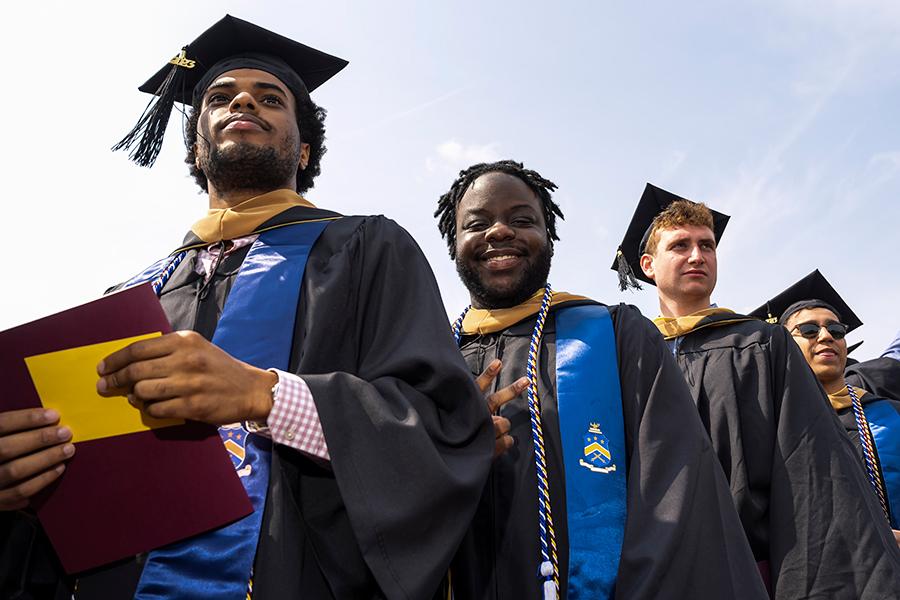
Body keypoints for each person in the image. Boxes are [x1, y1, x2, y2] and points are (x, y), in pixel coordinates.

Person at [0, 15, 493, 599]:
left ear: (304, 145)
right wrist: (27, 494)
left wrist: (265, 395)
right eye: (219, 95)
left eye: (270, 98)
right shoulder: (131, 299)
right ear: (195, 143)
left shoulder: (367, 249)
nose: (243, 102)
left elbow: (444, 426)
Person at [436, 161, 768, 600]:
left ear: (548, 234)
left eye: (522, 220)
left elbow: (676, 493)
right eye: (477, 223)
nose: (499, 232)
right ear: (454, 243)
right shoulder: (433, 357)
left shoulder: (614, 337)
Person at [612, 184, 900, 598]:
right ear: (647, 264)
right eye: (680, 246)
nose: (697, 256)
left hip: (747, 569)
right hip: (645, 569)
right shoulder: (623, 352)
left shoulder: (762, 345)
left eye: (706, 245)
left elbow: (810, 471)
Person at [751, 269, 900, 543]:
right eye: (808, 330)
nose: (825, 336)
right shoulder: (766, 430)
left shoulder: (888, 414)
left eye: (835, 329)